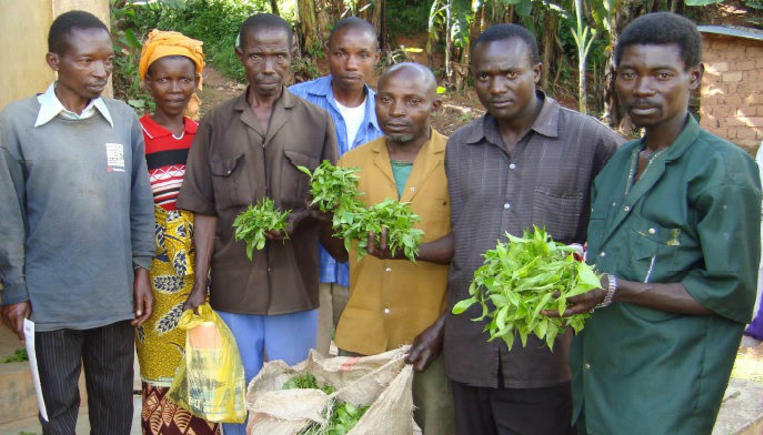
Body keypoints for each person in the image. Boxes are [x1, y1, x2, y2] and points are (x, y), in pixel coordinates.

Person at [552, 12, 761, 434]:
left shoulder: (722, 169)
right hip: (599, 377)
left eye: (662, 74)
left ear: (695, 77)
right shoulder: (620, 163)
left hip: (663, 390)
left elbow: (733, 292)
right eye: (629, 74)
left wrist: (617, 289)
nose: (642, 88)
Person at [440, 23, 623, 434]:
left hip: (546, 355)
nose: (496, 86)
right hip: (470, 350)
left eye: (510, 74)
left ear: (537, 71)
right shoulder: (460, 146)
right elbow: (462, 242)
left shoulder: (590, 141)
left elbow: (614, 237)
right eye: (483, 76)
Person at [176, 13, 338, 435]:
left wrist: (299, 218)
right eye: (257, 56)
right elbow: (205, 209)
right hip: (233, 288)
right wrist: (199, 284)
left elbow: (330, 204)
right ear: (240, 57)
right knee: (237, 401)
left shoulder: (316, 122)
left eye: (279, 56)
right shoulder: (215, 123)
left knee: (288, 402)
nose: (268, 67)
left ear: (292, 58)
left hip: (295, 288)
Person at [0, 10, 154, 433]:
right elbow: (7, 215)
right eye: (87, 60)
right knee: (58, 411)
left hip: (113, 298)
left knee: (114, 408)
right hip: (50, 303)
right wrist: (14, 289)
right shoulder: (17, 123)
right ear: (55, 61)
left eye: (106, 60)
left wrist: (142, 269)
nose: (101, 70)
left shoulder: (122, 120)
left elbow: (140, 203)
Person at [323, 62, 455, 434]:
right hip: (364, 332)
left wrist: (406, 252)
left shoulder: (458, 160)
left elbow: (469, 243)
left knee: (437, 425)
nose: (396, 111)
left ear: (434, 107)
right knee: (359, 426)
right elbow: (338, 250)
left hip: (430, 333)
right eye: (386, 100)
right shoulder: (351, 164)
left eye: (412, 101)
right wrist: (319, 217)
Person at [133, 30, 220, 434]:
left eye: (184, 79)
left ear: (196, 82)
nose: (174, 88)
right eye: (163, 79)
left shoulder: (204, 135)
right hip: (153, 276)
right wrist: (139, 273)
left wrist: (201, 280)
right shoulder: (135, 135)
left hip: (204, 273)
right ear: (147, 82)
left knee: (205, 373)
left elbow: (210, 208)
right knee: (160, 375)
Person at [289, 16, 383, 356]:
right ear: (326, 54)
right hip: (306, 259)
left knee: (358, 366)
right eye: (341, 53)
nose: (351, 64)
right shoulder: (296, 101)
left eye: (362, 54)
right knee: (304, 366)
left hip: (362, 264)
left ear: (376, 57)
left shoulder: (390, 110)